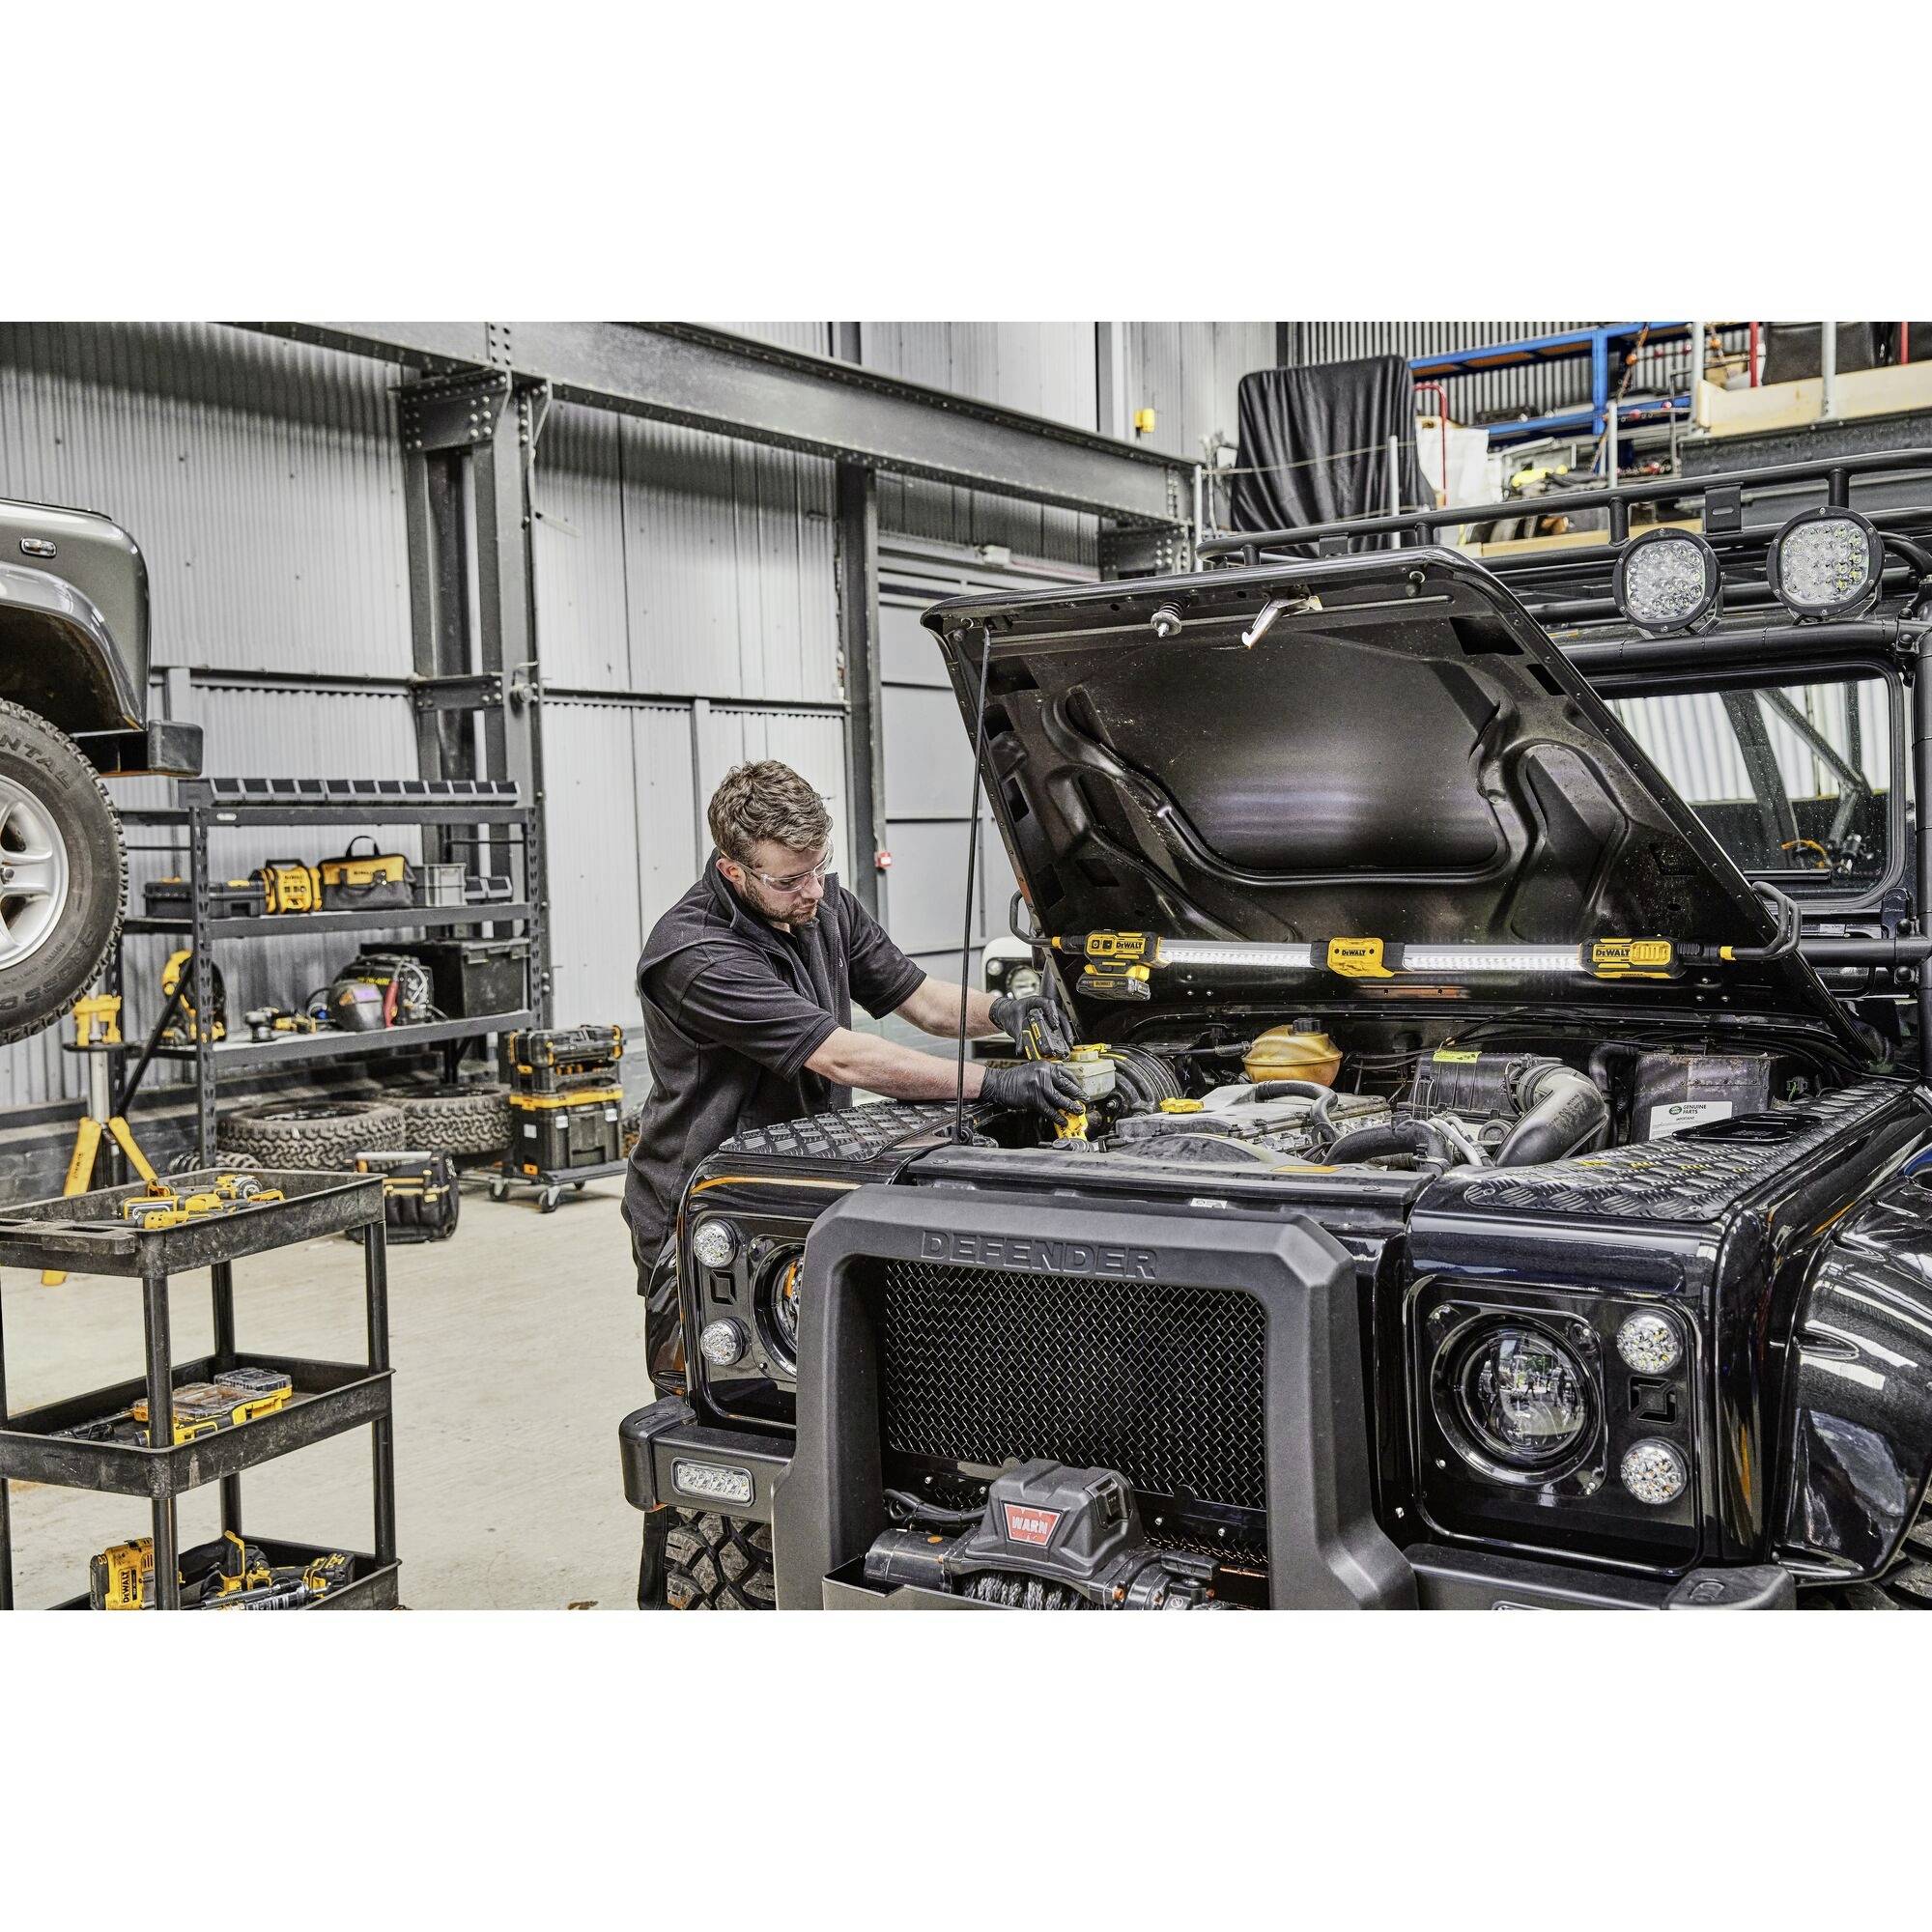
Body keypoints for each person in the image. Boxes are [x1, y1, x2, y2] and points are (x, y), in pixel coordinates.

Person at [624, 759, 1081, 1605]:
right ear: (734, 870)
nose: (813, 891)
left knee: (839, 1404)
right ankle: (681, 1601)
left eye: (820, 868)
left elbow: (921, 1000)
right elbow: (843, 1056)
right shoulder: (693, 953)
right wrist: (997, 1081)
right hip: (709, 1218)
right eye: (790, 879)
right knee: (726, 1418)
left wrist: (1005, 1012)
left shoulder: (823, 904)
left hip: (810, 1201)